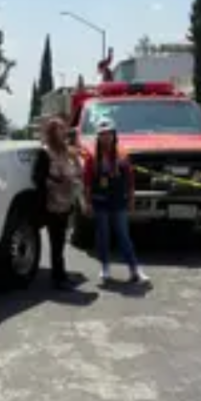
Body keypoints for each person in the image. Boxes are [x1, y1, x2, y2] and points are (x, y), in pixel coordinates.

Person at [84, 120, 151, 286]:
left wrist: (131, 198)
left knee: (123, 235)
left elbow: (130, 179)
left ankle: (134, 269)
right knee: (103, 235)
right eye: (102, 134)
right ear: (98, 137)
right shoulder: (92, 156)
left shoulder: (122, 154)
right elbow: (87, 181)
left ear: (114, 136)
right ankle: (105, 267)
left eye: (109, 134)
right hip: (100, 201)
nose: (106, 137)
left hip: (118, 201)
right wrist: (87, 202)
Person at [33, 117, 82, 290]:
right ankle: (58, 278)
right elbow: (38, 177)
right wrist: (56, 180)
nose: (63, 132)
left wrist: (75, 160)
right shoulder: (45, 152)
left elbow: (77, 172)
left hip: (66, 201)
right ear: (52, 132)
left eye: (64, 129)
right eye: (59, 129)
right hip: (52, 203)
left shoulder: (65, 151)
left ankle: (61, 275)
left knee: (61, 241)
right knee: (56, 241)